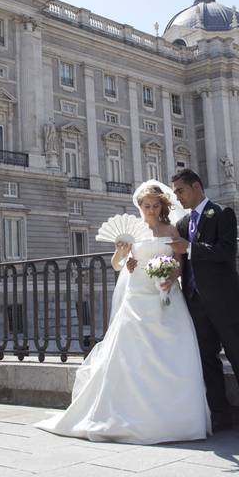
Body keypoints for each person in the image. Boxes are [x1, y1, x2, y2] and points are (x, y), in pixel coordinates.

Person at [36, 180, 210, 444]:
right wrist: (121, 254)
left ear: (162, 205)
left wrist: (169, 279)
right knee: (130, 354)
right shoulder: (133, 233)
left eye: (155, 205)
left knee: (174, 352)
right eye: (146, 206)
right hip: (137, 296)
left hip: (166, 296)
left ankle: (176, 418)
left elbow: (177, 263)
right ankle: (129, 416)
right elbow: (117, 265)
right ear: (139, 207)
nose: (151, 210)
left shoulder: (171, 229)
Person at [169, 168, 239, 440]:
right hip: (196, 303)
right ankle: (220, 415)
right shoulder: (182, 223)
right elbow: (181, 264)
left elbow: (226, 251)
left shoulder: (222, 213)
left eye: (181, 190)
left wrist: (189, 248)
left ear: (197, 186)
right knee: (207, 362)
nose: (177, 197)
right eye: (175, 192)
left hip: (224, 301)